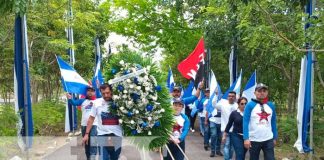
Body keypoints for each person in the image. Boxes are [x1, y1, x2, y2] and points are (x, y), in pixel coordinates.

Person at [82, 83, 123, 160]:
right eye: (103, 93)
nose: (106, 95)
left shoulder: (119, 102)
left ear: (111, 91)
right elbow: (91, 119)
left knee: (114, 158)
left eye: (107, 93)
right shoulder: (96, 103)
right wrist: (86, 134)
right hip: (102, 135)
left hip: (117, 135)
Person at [243, 83, 278, 160]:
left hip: (268, 139)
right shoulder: (250, 105)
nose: (262, 93)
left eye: (264, 91)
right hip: (254, 140)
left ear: (267, 92)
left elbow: (273, 122)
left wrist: (275, 137)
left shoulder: (271, 105)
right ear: (255, 93)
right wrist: (246, 138)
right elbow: (245, 122)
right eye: (259, 91)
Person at [67, 86, 98, 160]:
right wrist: (69, 98)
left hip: (94, 125)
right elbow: (74, 103)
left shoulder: (97, 101)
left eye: (92, 91)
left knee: (93, 145)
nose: (90, 92)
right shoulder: (82, 100)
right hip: (84, 126)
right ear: (86, 92)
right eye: (88, 90)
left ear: (94, 92)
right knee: (86, 145)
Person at [216, 91, 238, 160]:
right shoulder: (223, 105)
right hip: (225, 130)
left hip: (235, 130)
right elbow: (214, 105)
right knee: (226, 145)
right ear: (227, 97)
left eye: (232, 96)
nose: (231, 97)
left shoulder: (237, 106)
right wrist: (215, 95)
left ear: (235, 97)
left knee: (232, 147)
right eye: (229, 96)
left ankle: (230, 158)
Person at [208, 90, 223, 157]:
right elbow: (213, 103)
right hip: (213, 121)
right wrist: (215, 95)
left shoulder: (224, 101)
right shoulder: (214, 99)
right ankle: (212, 151)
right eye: (218, 93)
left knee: (220, 137)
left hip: (221, 122)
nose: (220, 94)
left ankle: (218, 150)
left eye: (220, 93)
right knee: (214, 135)